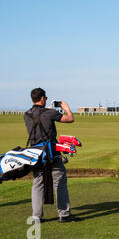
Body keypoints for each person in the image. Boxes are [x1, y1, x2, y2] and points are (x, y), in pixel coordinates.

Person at [24, 88, 80, 223]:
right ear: (42, 98)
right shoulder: (50, 112)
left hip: (36, 154)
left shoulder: (27, 114)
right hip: (52, 153)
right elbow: (70, 119)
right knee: (59, 182)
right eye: (46, 98)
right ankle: (64, 214)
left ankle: (36, 216)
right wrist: (66, 108)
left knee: (37, 184)